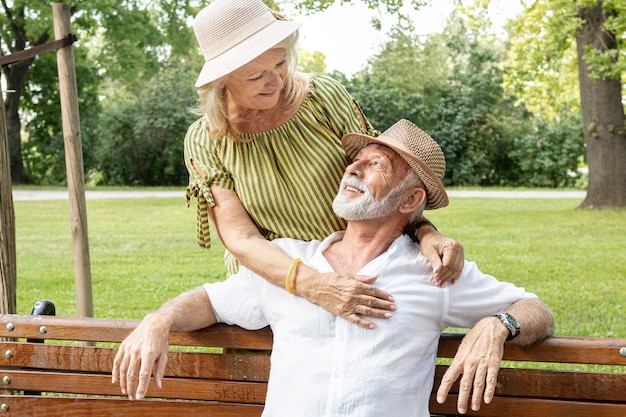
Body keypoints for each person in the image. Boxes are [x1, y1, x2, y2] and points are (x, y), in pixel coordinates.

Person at [114, 119, 555, 416]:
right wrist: (159, 320)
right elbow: (210, 301)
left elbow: (537, 310)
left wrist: (497, 326)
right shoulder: (287, 260)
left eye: (375, 164)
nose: (353, 168)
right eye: (356, 160)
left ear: (409, 201)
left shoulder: (434, 274)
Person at [183, 0, 466, 328]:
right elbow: (241, 239)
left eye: (280, 63)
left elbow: (385, 180)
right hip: (269, 290)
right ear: (222, 80)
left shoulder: (323, 98)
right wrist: (314, 285)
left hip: (355, 276)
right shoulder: (205, 140)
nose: (275, 81)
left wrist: (425, 231)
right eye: (256, 76)